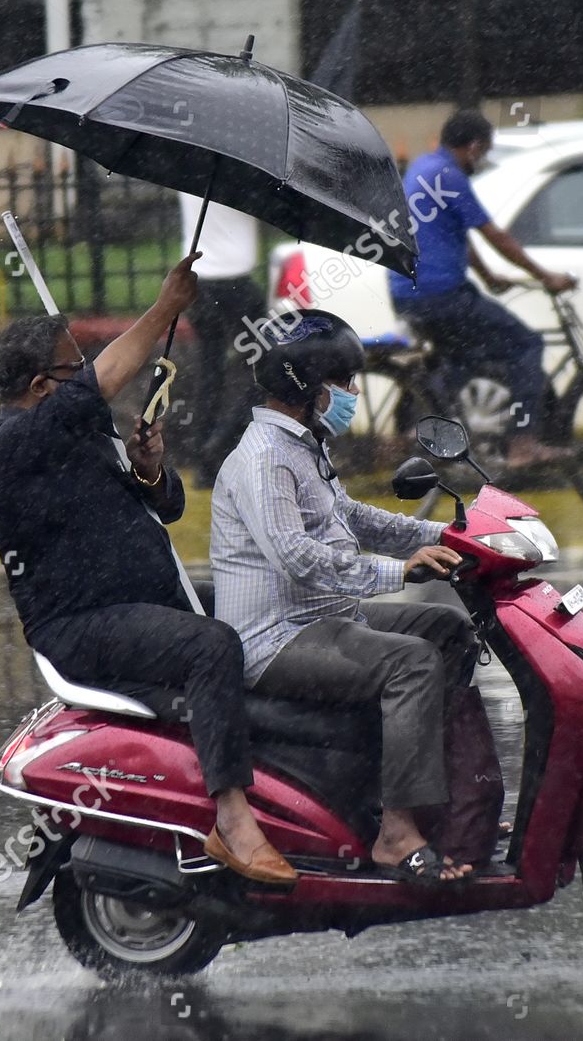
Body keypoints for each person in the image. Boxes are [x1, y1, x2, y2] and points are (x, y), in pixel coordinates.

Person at [0, 254, 296, 887]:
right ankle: (231, 817)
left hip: (143, 599)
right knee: (212, 647)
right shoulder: (9, 445)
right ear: (43, 389)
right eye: (76, 373)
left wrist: (149, 467)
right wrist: (165, 307)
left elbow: (168, 506)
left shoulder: (79, 438)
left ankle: (292, 772)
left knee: (264, 600)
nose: (94, 385)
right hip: (80, 624)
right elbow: (96, 385)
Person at [210, 310, 503, 885]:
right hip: (277, 638)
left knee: (446, 632)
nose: (353, 393)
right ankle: (395, 835)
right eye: (343, 383)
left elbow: (349, 517)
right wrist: (399, 572)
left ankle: (434, 800)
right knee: (412, 662)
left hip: (324, 619)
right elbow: (297, 557)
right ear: (307, 387)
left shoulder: (301, 446)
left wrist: (443, 534)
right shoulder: (264, 459)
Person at [389, 108, 577, 469]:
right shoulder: (450, 176)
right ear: (474, 146)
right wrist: (545, 276)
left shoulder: (422, 168)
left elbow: (457, 234)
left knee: (466, 357)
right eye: (484, 152)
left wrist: (489, 277)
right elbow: (496, 236)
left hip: (410, 295)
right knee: (526, 344)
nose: (483, 160)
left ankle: (432, 429)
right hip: (441, 296)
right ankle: (524, 444)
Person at [178, 193, 266, 487]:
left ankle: (204, 459)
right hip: (237, 281)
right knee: (267, 366)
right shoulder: (246, 170)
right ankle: (220, 442)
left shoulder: (191, 165)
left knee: (210, 371)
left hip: (200, 281)